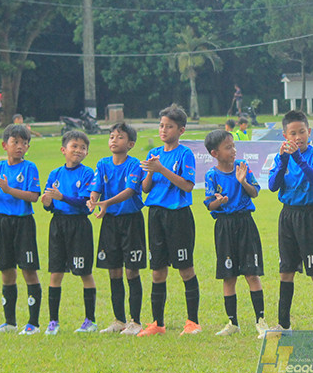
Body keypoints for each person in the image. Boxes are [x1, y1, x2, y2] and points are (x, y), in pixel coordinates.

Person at [267, 109, 313, 334]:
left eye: (302, 132)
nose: (298, 137)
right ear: (285, 136)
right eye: (292, 133)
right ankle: (283, 324)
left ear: (309, 132)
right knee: (286, 270)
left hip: (311, 215)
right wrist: (285, 161)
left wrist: (299, 159)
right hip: (288, 216)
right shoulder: (281, 157)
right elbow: (273, 186)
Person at [139, 104, 200, 336]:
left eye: (169, 126)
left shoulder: (185, 154)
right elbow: (145, 189)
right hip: (155, 214)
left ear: (181, 130)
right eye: (161, 126)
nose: (164, 130)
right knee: (157, 271)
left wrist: (161, 168)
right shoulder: (153, 154)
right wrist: (151, 171)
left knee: (185, 268)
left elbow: (187, 185)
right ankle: (157, 324)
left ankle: (192, 322)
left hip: (178, 216)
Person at [202, 130, 268, 337]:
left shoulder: (242, 167)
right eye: (228, 147)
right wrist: (218, 202)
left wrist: (243, 181)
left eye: (233, 146)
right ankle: (232, 323)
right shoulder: (211, 175)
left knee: (252, 274)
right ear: (215, 153)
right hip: (224, 227)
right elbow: (209, 206)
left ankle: (261, 320)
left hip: (245, 224)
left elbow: (255, 192)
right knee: (228, 276)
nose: (233, 150)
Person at [0, 124, 42, 334]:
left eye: (25, 143)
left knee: (28, 271)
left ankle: (33, 323)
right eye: (15, 142)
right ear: (5, 145)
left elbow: (33, 196)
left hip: (23, 223)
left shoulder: (29, 168)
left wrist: (8, 190)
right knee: (6, 272)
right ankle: (10, 323)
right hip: (3, 223)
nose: (20, 147)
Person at [89, 123, 147, 335]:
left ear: (130, 144)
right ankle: (119, 320)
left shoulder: (134, 165)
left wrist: (106, 203)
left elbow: (130, 191)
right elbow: (96, 189)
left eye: (119, 137)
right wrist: (93, 200)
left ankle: (136, 321)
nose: (114, 140)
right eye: (111, 136)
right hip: (110, 223)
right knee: (113, 270)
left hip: (131, 221)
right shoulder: (102, 164)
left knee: (131, 270)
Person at [41, 130, 98, 335]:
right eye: (74, 146)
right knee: (56, 272)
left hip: (79, 226)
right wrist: (47, 203)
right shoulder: (55, 174)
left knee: (84, 272)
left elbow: (84, 203)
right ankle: (53, 321)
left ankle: (90, 320)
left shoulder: (87, 173)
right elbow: (50, 203)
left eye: (83, 148)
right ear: (63, 150)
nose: (79, 150)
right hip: (58, 225)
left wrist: (61, 197)